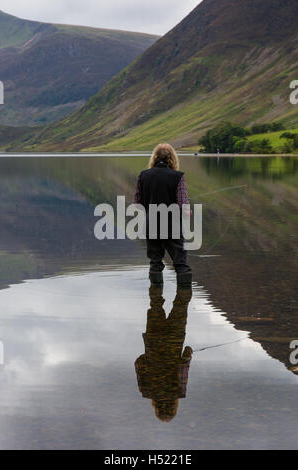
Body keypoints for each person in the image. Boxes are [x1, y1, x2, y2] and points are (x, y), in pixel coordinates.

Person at [134, 143, 192, 287]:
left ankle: (155, 299)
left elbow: (137, 203)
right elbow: (182, 202)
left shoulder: (143, 175)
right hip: (172, 226)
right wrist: (187, 213)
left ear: (154, 157)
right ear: (172, 158)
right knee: (181, 264)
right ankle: (183, 298)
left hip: (151, 224)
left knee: (155, 262)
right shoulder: (178, 176)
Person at [135, 285, 193, 422]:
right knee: (156, 304)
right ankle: (156, 267)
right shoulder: (145, 390)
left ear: (174, 407)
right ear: (156, 408)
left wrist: (188, 352)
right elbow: (138, 363)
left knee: (181, 303)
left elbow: (183, 365)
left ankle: (183, 272)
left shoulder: (178, 392)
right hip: (153, 339)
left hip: (175, 337)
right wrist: (150, 355)